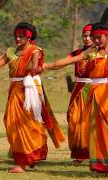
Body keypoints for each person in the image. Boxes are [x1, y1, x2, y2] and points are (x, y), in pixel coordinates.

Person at [0, 22, 65, 173]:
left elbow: (35, 66)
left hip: (29, 89)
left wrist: (36, 68)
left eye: (21, 36)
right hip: (14, 89)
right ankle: (30, 156)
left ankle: (25, 161)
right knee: (11, 122)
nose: (18, 38)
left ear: (29, 37)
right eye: (16, 36)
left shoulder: (35, 50)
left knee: (28, 123)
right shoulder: (11, 52)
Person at [44, 22, 108, 173]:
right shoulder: (90, 52)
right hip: (94, 93)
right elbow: (67, 61)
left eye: (99, 37)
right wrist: (45, 66)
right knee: (97, 130)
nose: (95, 40)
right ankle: (101, 165)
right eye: (94, 37)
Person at [45, 24, 93, 164]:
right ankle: (80, 154)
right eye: (85, 35)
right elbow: (63, 63)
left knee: (90, 122)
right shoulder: (77, 53)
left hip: (93, 88)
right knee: (74, 120)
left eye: (90, 35)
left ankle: (95, 153)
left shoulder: (100, 53)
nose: (87, 38)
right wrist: (47, 67)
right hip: (78, 89)